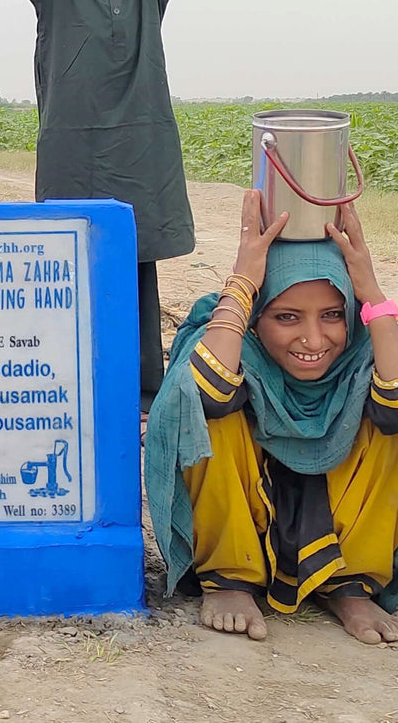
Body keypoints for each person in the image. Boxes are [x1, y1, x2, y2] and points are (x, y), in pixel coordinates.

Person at [0, 0, 217, 410]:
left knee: (136, 267)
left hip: (140, 143)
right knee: (71, 265)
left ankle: (142, 394)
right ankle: (69, 384)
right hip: (72, 146)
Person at [146, 190, 398, 643]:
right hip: (253, 515)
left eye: (333, 315)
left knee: (391, 419)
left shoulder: (364, 347)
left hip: (342, 514)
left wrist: (372, 293)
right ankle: (229, 577)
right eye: (286, 317)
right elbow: (206, 394)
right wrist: (243, 283)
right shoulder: (231, 334)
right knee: (202, 410)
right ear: (256, 319)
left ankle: (349, 584)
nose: (313, 338)